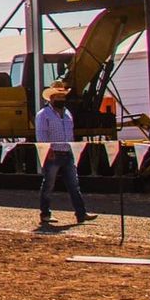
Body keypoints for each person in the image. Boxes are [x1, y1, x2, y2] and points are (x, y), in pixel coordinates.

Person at [37, 83, 94, 226]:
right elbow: (41, 134)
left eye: (63, 96)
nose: (62, 99)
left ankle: (81, 213)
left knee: (74, 185)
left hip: (67, 152)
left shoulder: (67, 113)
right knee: (49, 185)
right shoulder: (43, 114)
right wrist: (47, 150)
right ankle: (45, 214)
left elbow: (70, 133)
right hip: (53, 153)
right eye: (58, 96)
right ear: (51, 98)